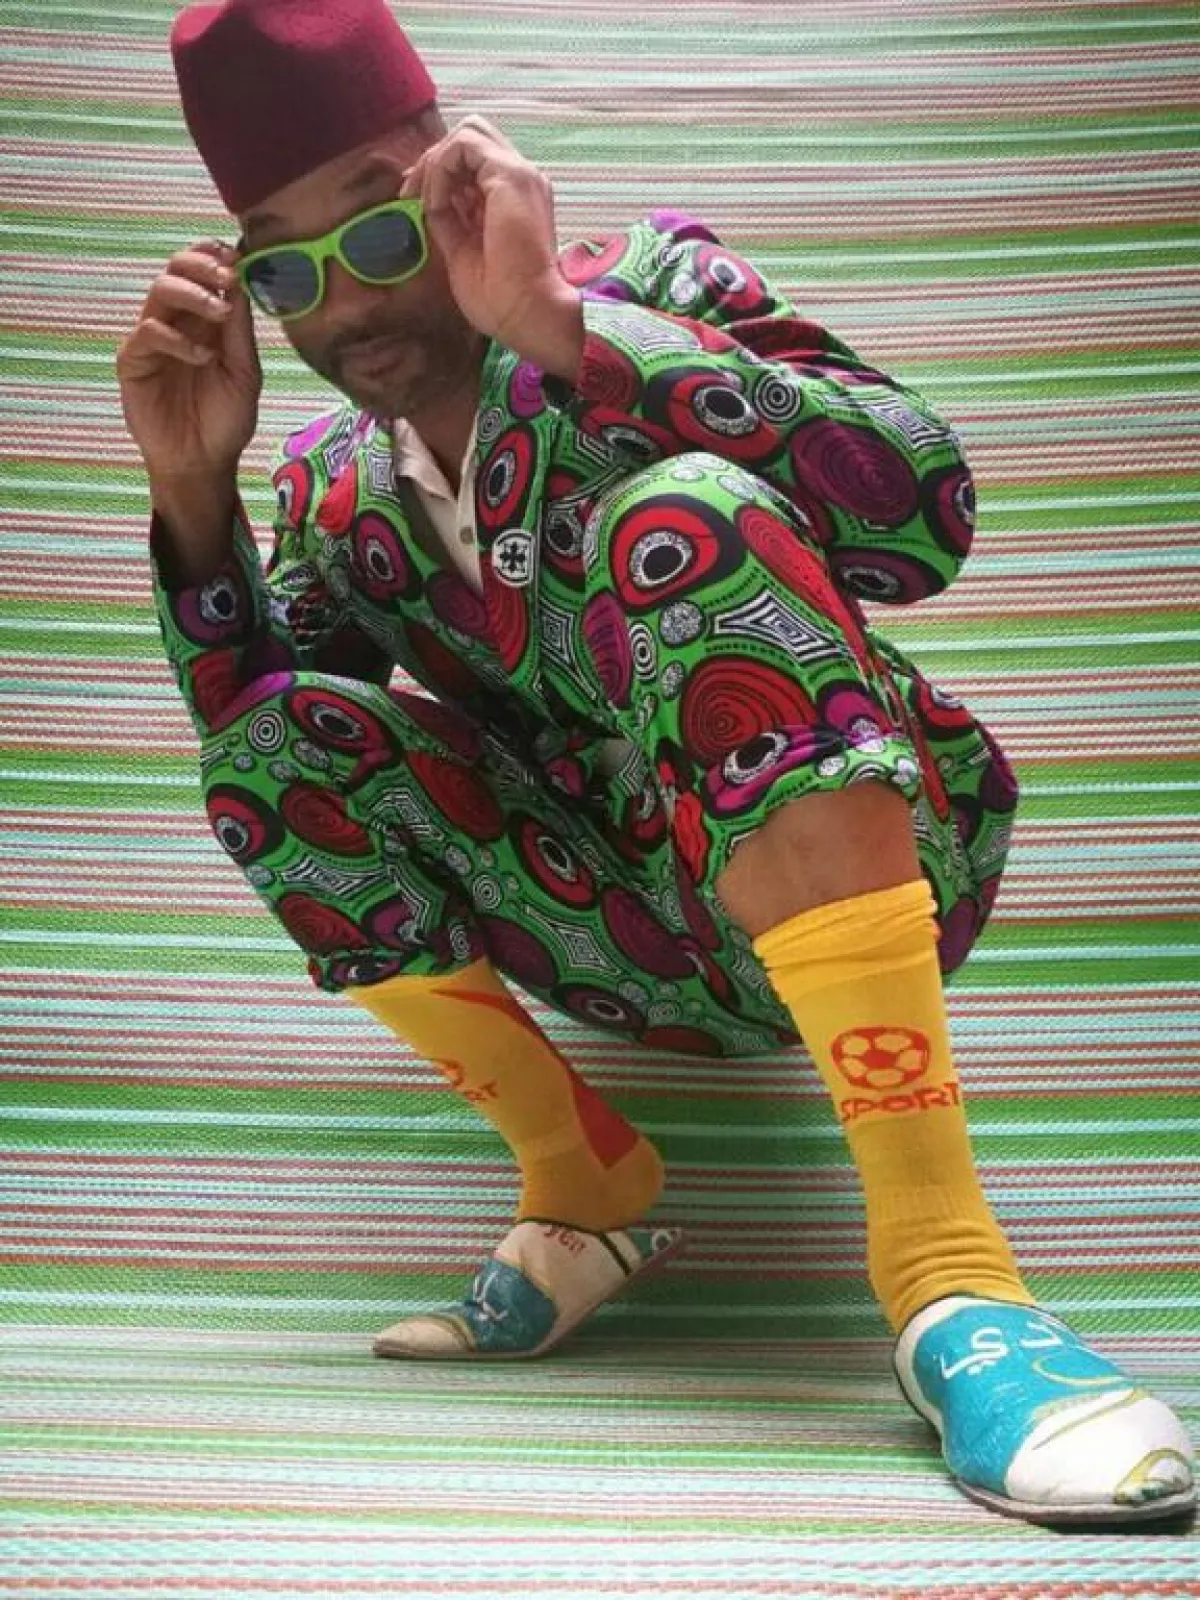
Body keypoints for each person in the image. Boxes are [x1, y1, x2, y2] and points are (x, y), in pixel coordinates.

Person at [116, 0, 1194, 1529]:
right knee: (274, 740)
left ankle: (952, 1281)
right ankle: (585, 1181)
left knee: (680, 516)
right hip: (629, 943)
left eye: (377, 227)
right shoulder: (333, 496)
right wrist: (192, 494)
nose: (343, 301)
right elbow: (276, 773)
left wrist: (564, 325)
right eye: (284, 267)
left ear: (456, 174)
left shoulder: (651, 288)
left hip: (879, 846)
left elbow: (923, 511)